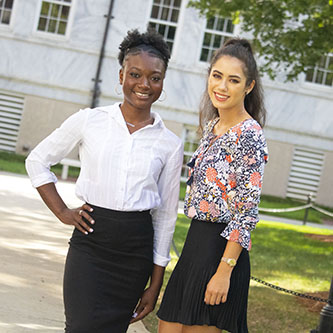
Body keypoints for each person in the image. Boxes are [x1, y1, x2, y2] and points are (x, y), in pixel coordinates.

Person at [25, 28, 183, 333]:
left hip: (135, 252)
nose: (144, 84)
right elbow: (38, 160)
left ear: (163, 82)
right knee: (81, 327)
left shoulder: (170, 143)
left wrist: (155, 284)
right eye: (135, 74)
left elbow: (164, 217)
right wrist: (62, 212)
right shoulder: (90, 121)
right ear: (122, 74)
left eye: (155, 77)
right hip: (91, 244)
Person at [157, 38, 269, 333]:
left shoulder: (249, 135)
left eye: (233, 80)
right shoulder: (212, 127)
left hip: (222, 253)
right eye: (217, 76)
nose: (221, 86)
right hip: (194, 248)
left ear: (248, 87)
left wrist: (224, 272)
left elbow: (246, 213)